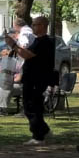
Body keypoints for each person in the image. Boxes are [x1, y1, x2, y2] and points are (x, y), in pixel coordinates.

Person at [9, 15, 54, 145]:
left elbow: (27, 55)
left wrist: (13, 45)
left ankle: (38, 136)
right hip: (31, 77)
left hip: (37, 78)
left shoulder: (44, 42)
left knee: (32, 106)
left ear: (42, 26)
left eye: (35, 24)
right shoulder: (36, 40)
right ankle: (43, 130)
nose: (32, 27)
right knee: (30, 105)